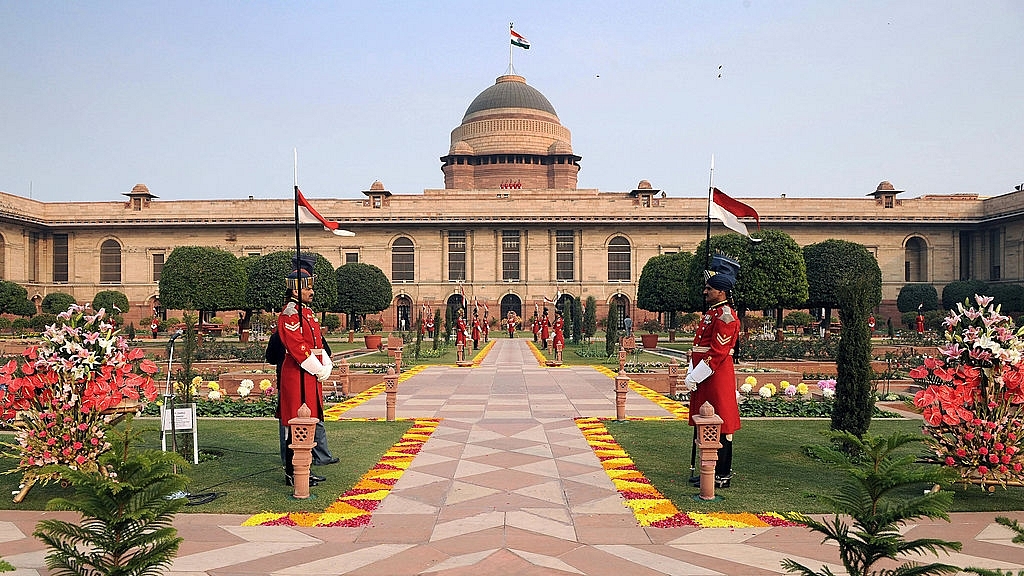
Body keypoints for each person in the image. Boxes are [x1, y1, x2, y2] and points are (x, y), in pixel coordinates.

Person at [277, 255, 336, 487]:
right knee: (296, 425)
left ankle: (306, 468)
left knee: (309, 421)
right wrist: (316, 367)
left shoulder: (307, 313)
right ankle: (294, 471)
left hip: (309, 375)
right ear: (295, 291)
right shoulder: (291, 314)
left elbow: (316, 344)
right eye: (307, 288)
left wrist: (325, 362)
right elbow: (297, 347)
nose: (311, 291)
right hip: (297, 374)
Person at [685, 255, 742, 488]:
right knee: (706, 422)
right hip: (706, 376)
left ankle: (722, 474)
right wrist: (692, 369)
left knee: (722, 424)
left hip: (716, 375)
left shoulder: (725, 316)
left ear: (721, 291)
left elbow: (718, 352)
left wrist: (696, 374)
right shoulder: (713, 313)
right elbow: (700, 346)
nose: (705, 291)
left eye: (709, 288)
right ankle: (709, 469)